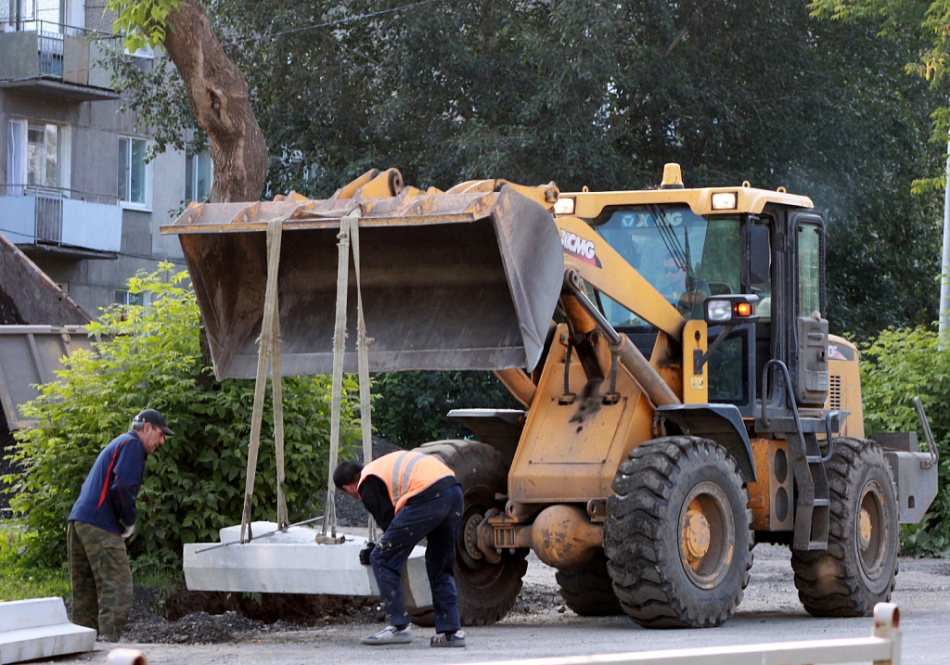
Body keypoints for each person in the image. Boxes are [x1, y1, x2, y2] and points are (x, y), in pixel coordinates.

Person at [334, 450, 465, 648]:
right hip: (453, 491)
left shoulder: (366, 484)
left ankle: (398, 626)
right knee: (439, 563)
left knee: (381, 557)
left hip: (429, 495)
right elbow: (398, 531)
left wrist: (375, 550)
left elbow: (390, 528)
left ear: (347, 487)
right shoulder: (380, 468)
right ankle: (451, 632)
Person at [67, 408, 174, 641]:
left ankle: (81, 646)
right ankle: (106, 645)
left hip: (78, 523)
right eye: (161, 434)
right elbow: (124, 486)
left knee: (85, 593)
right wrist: (128, 521)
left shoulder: (119, 443)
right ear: (147, 428)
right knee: (118, 589)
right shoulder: (133, 445)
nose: (162, 441)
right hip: (100, 525)